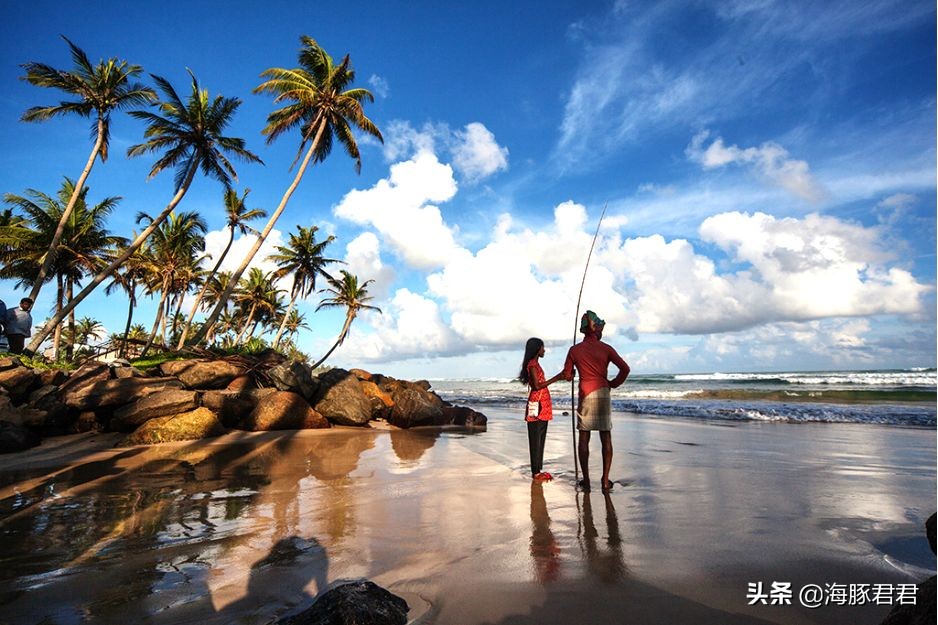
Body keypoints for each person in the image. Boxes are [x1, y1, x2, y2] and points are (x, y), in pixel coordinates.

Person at [563, 311, 630, 493]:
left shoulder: (574, 350)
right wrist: (612, 384)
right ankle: (605, 479)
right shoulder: (606, 348)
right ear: (596, 329)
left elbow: (567, 376)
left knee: (584, 437)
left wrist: (573, 373)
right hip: (602, 393)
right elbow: (625, 369)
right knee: (605, 436)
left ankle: (586, 479)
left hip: (585, 394)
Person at [519, 337, 565, 481]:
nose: (544, 350)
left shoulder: (535, 364)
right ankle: (535, 472)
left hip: (542, 405)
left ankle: (538, 470)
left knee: (540, 438)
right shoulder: (532, 364)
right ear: (537, 349)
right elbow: (537, 386)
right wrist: (558, 377)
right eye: (542, 347)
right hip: (537, 405)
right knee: (535, 439)